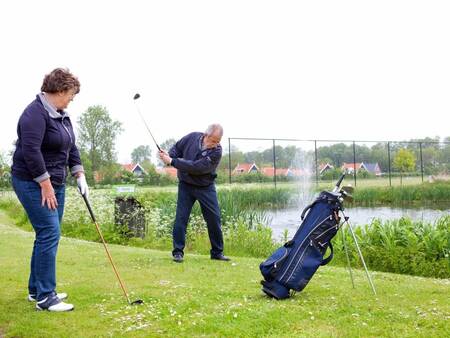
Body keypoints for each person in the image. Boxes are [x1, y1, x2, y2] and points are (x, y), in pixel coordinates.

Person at [11, 68, 89, 312]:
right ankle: (46, 297)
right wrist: (45, 185)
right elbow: (31, 152)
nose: (71, 100)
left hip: (56, 181)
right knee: (49, 232)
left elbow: (71, 147)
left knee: (47, 234)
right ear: (59, 90)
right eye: (71, 95)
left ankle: (37, 290)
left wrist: (79, 174)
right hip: (31, 182)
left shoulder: (62, 115)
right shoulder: (33, 114)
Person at [159, 124, 230, 263]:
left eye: (218, 141)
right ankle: (178, 252)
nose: (215, 144)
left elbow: (197, 167)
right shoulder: (192, 137)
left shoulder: (217, 152)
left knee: (214, 219)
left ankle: (217, 252)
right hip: (186, 185)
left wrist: (172, 161)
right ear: (205, 135)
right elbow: (177, 148)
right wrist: (168, 156)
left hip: (206, 187)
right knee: (181, 218)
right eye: (213, 140)